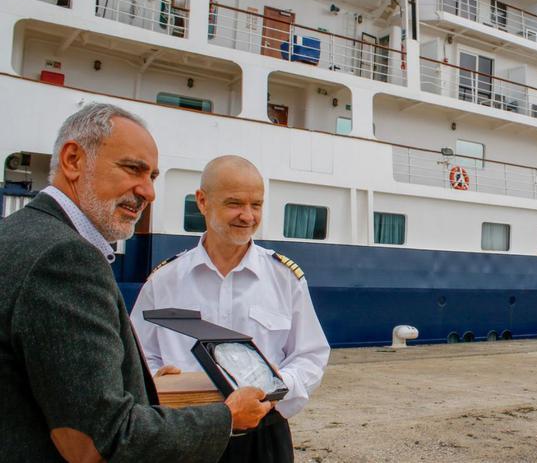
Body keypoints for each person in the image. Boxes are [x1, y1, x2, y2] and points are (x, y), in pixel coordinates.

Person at [0, 103, 273, 462]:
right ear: (73, 160)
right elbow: (101, 440)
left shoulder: (16, 234)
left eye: (153, 177)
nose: (149, 192)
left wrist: (147, 386)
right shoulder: (66, 259)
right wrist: (225, 417)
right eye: (133, 169)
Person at [131, 155, 330, 462]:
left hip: (262, 434)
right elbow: (139, 354)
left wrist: (276, 386)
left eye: (257, 205)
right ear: (202, 201)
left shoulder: (284, 279)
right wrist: (157, 377)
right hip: (188, 430)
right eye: (235, 203)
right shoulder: (164, 281)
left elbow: (310, 354)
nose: (247, 216)